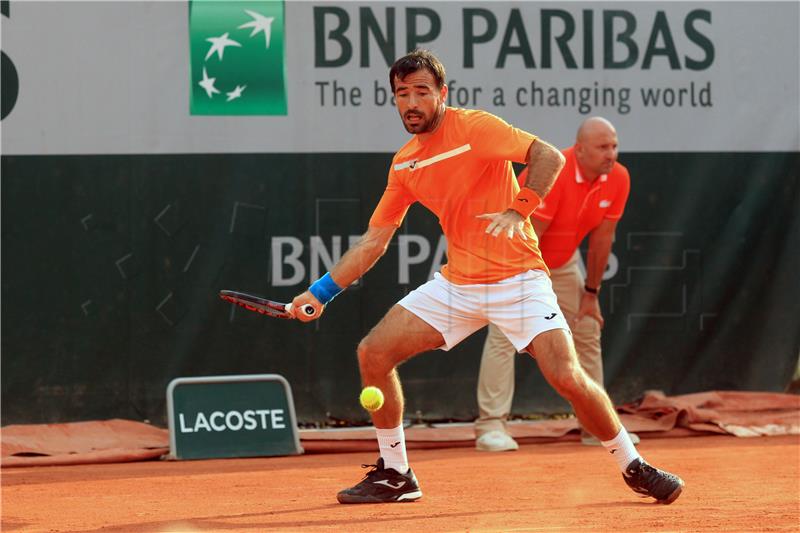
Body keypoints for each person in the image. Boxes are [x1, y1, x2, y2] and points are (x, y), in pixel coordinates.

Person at [290, 50, 683, 505]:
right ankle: (396, 474)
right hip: (459, 285)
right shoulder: (405, 164)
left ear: (443, 94)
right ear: (394, 99)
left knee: (566, 376)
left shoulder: (474, 128)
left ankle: (634, 464)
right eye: (402, 94)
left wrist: (521, 208)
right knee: (373, 353)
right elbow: (373, 242)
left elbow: (547, 156)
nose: (412, 102)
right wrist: (320, 292)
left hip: (519, 279)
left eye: (422, 91)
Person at [475, 117, 640, 450]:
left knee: (587, 327)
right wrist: (528, 287)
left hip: (562, 264)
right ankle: (490, 427)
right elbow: (528, 235)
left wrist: (591, 294)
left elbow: (602, 239)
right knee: (505, 333)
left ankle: (598, 427)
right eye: (603, 147)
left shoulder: (618, 178)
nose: (611, 154)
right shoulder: (555, 175)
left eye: (614, 146)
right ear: (580, 150)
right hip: (515, 259)